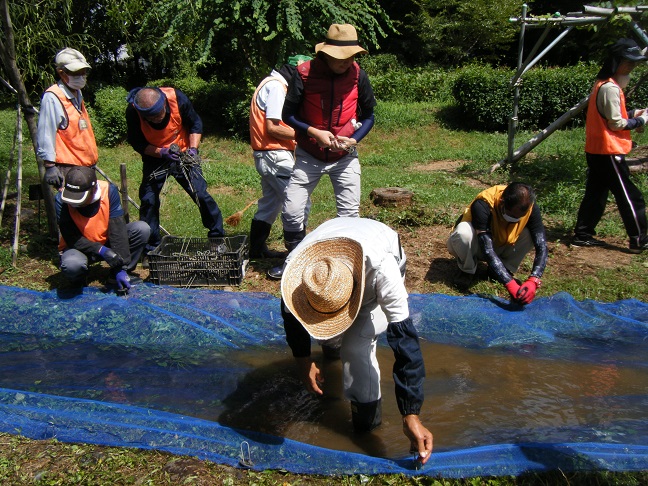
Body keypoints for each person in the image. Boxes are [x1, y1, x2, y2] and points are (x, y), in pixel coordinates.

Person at [280, 217, 433, 464]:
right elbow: (291, 315)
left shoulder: (383, 270)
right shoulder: (297, 273)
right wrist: (303, 360)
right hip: (335, 242)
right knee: (331, 340)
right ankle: (330, 355)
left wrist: (411, 413)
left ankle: (367, 422)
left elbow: (405, 344)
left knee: (355, 348)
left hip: (380, 250)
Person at [269, 24, 377, 279]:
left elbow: (369, 115)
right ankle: (294, 259)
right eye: (342, 58)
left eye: (352, 56)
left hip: (344, 156)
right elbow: (288, 114)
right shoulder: (303, 73)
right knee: (292, 210)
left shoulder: (358, 74)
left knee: (350, 213)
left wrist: (354, 140)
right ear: (326, 54)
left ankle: (346, 266)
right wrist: (313, 132)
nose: (347, 62)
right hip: (309, 154)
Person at [126, 86, 224, 255]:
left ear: (164, 104)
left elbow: (195, 124)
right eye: (150, 118)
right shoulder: (133, 111)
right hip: (154, 157)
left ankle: (217, 238)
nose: (155, 120)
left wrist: (193, 149)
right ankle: (152, 248)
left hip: (184, 152)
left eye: (158, 115)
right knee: (149, 200)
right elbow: (137, 142)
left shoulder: (176, 98)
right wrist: (161, 152)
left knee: (200, 193)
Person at [573, 38, 648, 253]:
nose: (632, 66)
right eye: (629, 62)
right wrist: (642, 120)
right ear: (616, 62)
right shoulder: (610, 88)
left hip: (597, 150)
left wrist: (635, 113)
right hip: (608, 150)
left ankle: (583, 234)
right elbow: (616, 123)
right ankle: (639, 239)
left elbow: (611, 116)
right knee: (630, 196)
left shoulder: (604, 85)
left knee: (595, 195)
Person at [248, 55, 312, 259]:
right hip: (274, 155)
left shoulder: (272, 83)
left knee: (270, 204)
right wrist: (305, 135)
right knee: (299, 201)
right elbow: (273, 127)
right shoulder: (276, 87)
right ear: (295, 72)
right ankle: (296, 255)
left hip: (269, 155)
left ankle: (256, 250)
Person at [447, 182, 547, 305]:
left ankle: (502, 269)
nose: (516, 219)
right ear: (502, 202)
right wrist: (510, 283)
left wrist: (534, 279)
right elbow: (487, 248)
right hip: (476, 245)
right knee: (463, 233)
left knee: (531, 235)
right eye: (512, 215)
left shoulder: (530, 208)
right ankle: (467, 270)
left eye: (520, 217)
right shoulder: (483, 203)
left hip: (501, 244)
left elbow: (541, 244)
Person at [56, 166, 150, 292]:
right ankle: (78, 279)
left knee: (141, 229)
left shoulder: (108, 191)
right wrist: (101, 250)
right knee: (72, 264)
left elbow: (117, 230)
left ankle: (117, 275)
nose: (75, 204)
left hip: (106, 240)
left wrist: (120, 267)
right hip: (78, 247)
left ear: (93, 189)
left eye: (80, 199)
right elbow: (72, 238)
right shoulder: (60, 200)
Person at [37, 48, 98, 189]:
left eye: (83, 72)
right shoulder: (53, 97)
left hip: (85, 165)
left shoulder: (77, 92)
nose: (81, 76)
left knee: (86, 207)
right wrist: (50, 166)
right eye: (76, 73)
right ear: (61, 73)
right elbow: (46, 133)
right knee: (71, 208)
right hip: (69, 169)